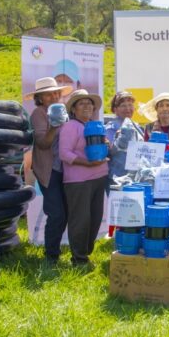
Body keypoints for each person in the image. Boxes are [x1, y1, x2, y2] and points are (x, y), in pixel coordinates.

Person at [59, 89, 109, 266]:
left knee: (95, 219)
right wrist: (87, 164)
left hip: (99, 177)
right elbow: (64, 153)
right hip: (79, 181)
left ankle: (85, 252)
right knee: (80, 220)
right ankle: (79, 259)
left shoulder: (95, 125)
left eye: (90, 103)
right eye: (82, 103)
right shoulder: (70, 126)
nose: (87, 106)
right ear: (73, 109)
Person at [27, 77, 72, 263]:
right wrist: (53, 127)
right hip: (49, 170)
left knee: (64, 213)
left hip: (65, 169)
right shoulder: (39, 113)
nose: (54, 95)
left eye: (56, 92)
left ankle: (53, 250)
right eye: (49, 93)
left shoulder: (64, 112)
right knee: (56, 213)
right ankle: (51, 255)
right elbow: (42, 143)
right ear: (40, 98)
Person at [105, 91, 144, 181]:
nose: (128, 108)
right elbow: (109, 151)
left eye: (130, 105)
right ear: (115, 109)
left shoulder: (137, 127)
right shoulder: (111, 127)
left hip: (136, 177)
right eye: (123, 105)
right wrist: (119, 139)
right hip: (118, 177)